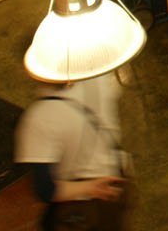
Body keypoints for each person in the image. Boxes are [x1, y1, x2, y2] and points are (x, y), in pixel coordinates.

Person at [15, 69, 131, 229]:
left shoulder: (41, 116)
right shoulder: (101, 77)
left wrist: (90, 188)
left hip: (81, 209)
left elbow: (46, 190)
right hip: (115, 187)